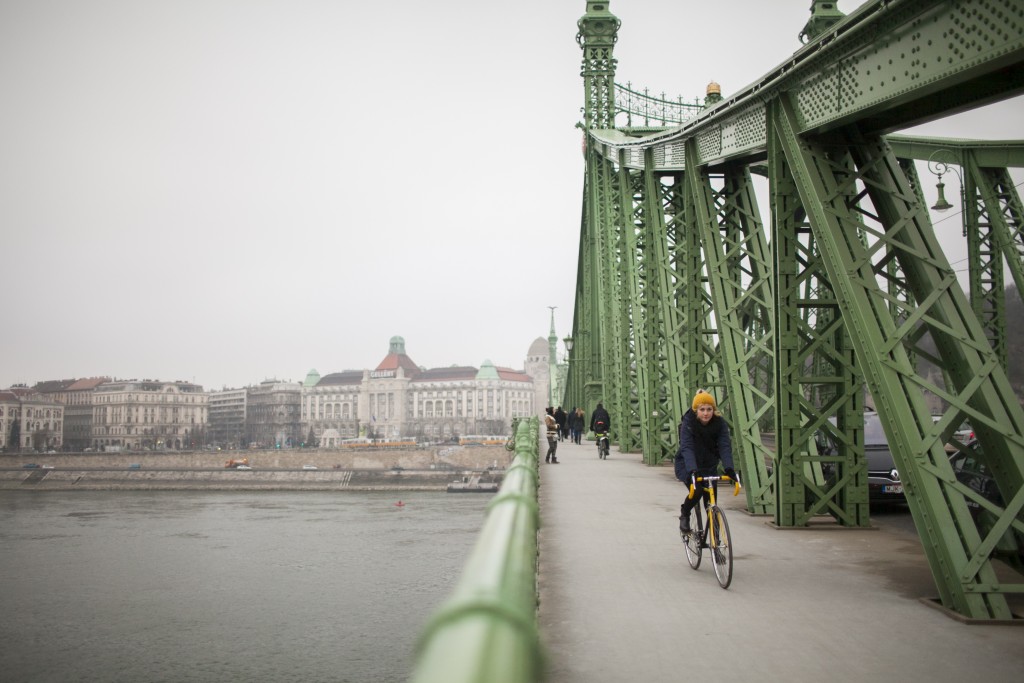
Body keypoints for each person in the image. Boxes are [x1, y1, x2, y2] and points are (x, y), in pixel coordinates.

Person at [675, 390, 736, 533]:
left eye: (709, 409)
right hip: (687, 464)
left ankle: (716, 542)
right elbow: (687, 447)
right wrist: (692, 470)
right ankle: (685, 513)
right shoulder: (689, 423)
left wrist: (729, 468)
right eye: (702, 409)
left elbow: (724, 445)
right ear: (696, 411)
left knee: (711, 502)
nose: (706, 413)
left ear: (714, 411)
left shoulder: (719, 424)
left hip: (708, 465)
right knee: (697, 491)